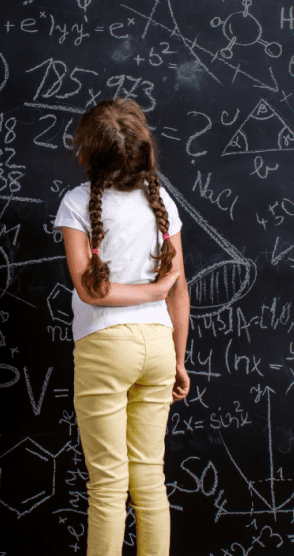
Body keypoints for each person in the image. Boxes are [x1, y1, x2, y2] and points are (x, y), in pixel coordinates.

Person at [53, 98, 191, 556]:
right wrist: (179, 358)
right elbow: (179, 290)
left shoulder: (76, 204)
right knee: (150, 478)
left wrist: (149, 293)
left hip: (106, 347)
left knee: (109, 484)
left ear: (88, 152)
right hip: (158, 346)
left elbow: (91, 292)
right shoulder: (162, 202)